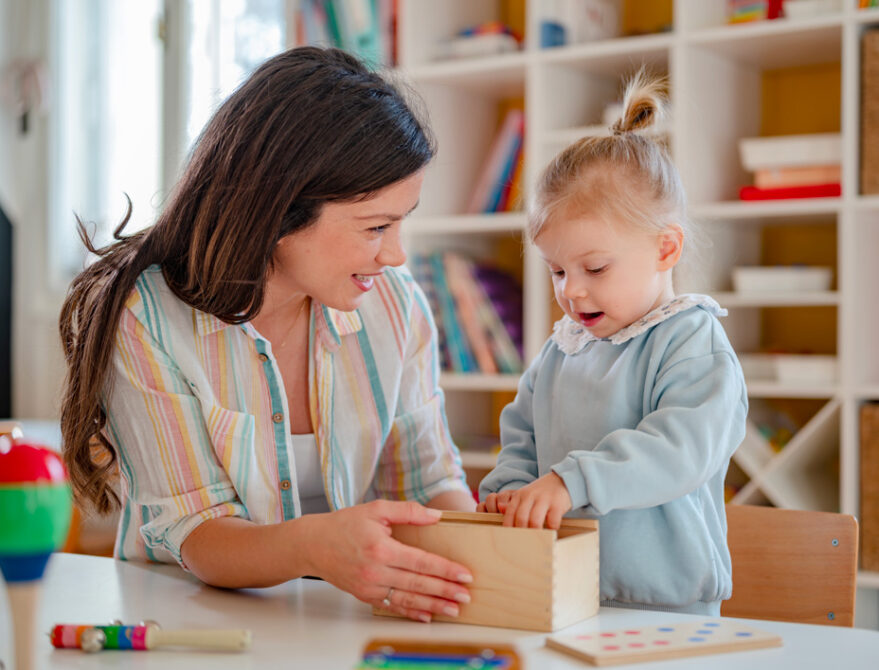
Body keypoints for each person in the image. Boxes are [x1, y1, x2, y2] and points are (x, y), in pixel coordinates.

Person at [58, 47, 476, 624]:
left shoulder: (396, 306)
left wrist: (486, 564)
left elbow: (428, 483)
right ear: (280, 210)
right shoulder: (148, 317)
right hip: (185, 625)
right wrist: (314, 547)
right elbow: (196, 530)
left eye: (402, 221)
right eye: (376, 227)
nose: (397, 253)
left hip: (335, 625)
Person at [477, 72, 748, 616]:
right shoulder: (565, 347)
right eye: (556, 271)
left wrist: (567, 481)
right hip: (563, 588)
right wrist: (509, 487)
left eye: (595, 267)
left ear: (665, 248)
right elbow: (523, 436)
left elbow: (679, 450)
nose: (572, 290)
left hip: (667, 605)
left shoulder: (691, 339)